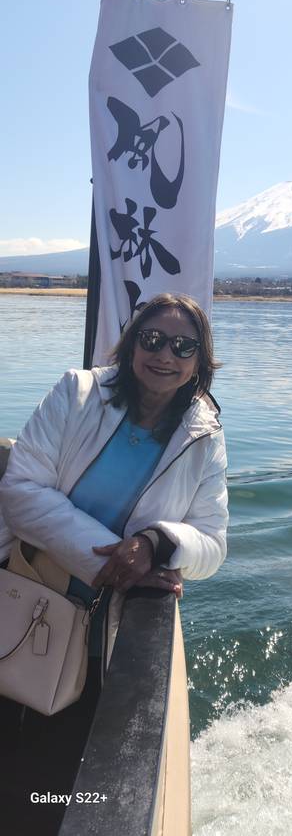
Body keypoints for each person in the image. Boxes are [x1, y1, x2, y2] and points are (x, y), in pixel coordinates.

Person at [0, 292, 228, 832]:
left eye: (182, 346)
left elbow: (212, 543)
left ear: (199, 359)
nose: (164, 354)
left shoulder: (205, 434)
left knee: (53, 772)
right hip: (28, 595)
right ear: (130, 344)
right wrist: (112, 560)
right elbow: (22, 491)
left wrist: (156, 543)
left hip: (107, 632)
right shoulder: (77, 394)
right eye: (151, 339)